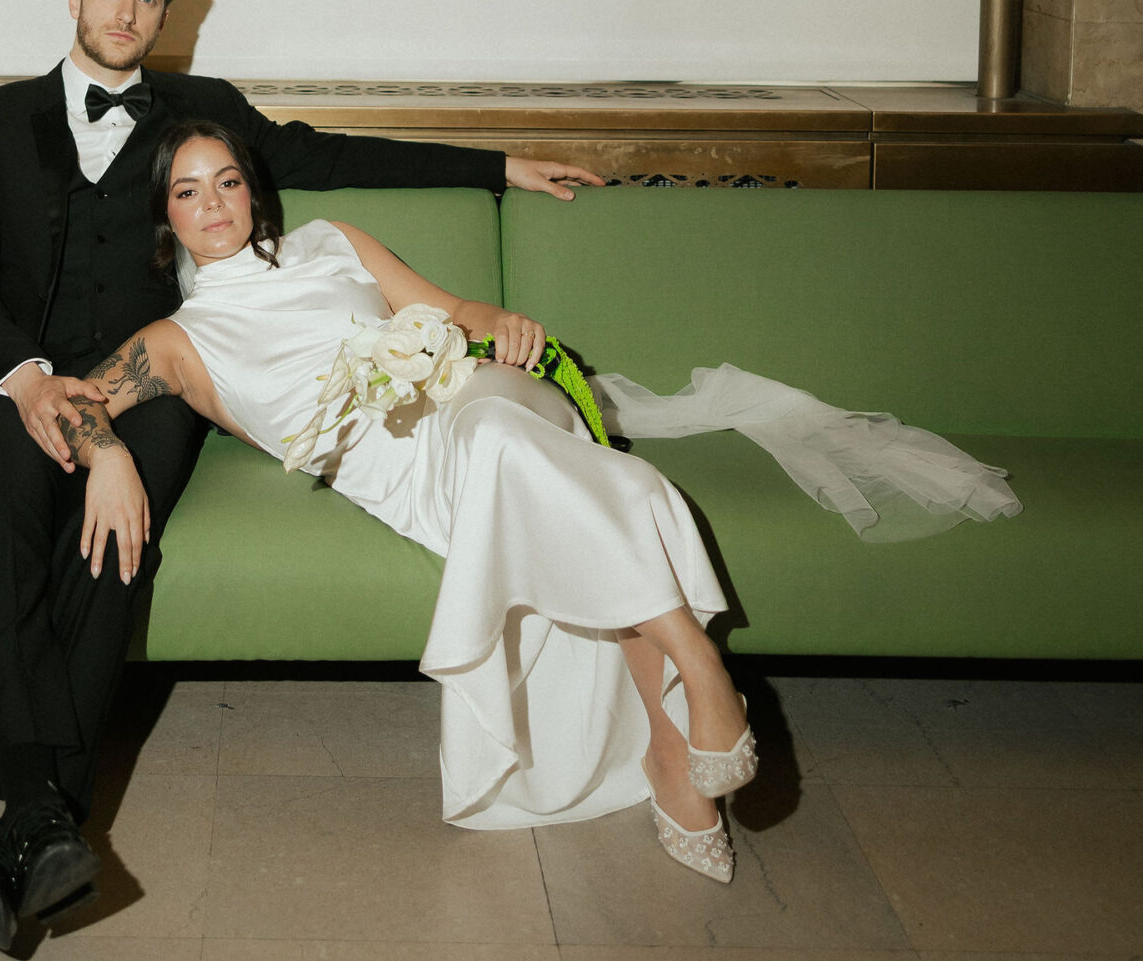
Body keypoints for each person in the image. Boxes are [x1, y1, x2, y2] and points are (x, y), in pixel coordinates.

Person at [0, 0, 603, 955]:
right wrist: (31, 378)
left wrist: (499, 165)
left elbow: (329, 155)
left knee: (111, 544)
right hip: (6, 377)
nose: (127, 12)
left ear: (165, 15)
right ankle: (39, 816)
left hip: (151, 382)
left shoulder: (204, 111)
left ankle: (26, 827)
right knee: (7, 517)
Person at [50, 120, 757, 883]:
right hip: (412, 477)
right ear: (165, 214)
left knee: (499, 433)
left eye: (227, 181)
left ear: (252, 189)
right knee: (592, 485)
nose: (214, 204)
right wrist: (109, 454)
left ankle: (697, 680)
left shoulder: (331, 241)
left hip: (483, 395)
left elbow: (455, 313)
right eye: (188, 191)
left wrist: (504, 323)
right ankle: (679, 716)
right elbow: (73, 404)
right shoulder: (175, 341)